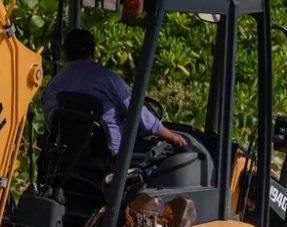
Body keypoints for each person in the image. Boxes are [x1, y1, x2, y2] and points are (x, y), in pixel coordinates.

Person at [41, 28, 190, 154]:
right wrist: (171, 136)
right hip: (110, 158)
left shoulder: (53, 85)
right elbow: (137, 113)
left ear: (64, 52)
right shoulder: (108, 80)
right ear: (92, 50)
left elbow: (50, 121)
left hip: (66, 157)